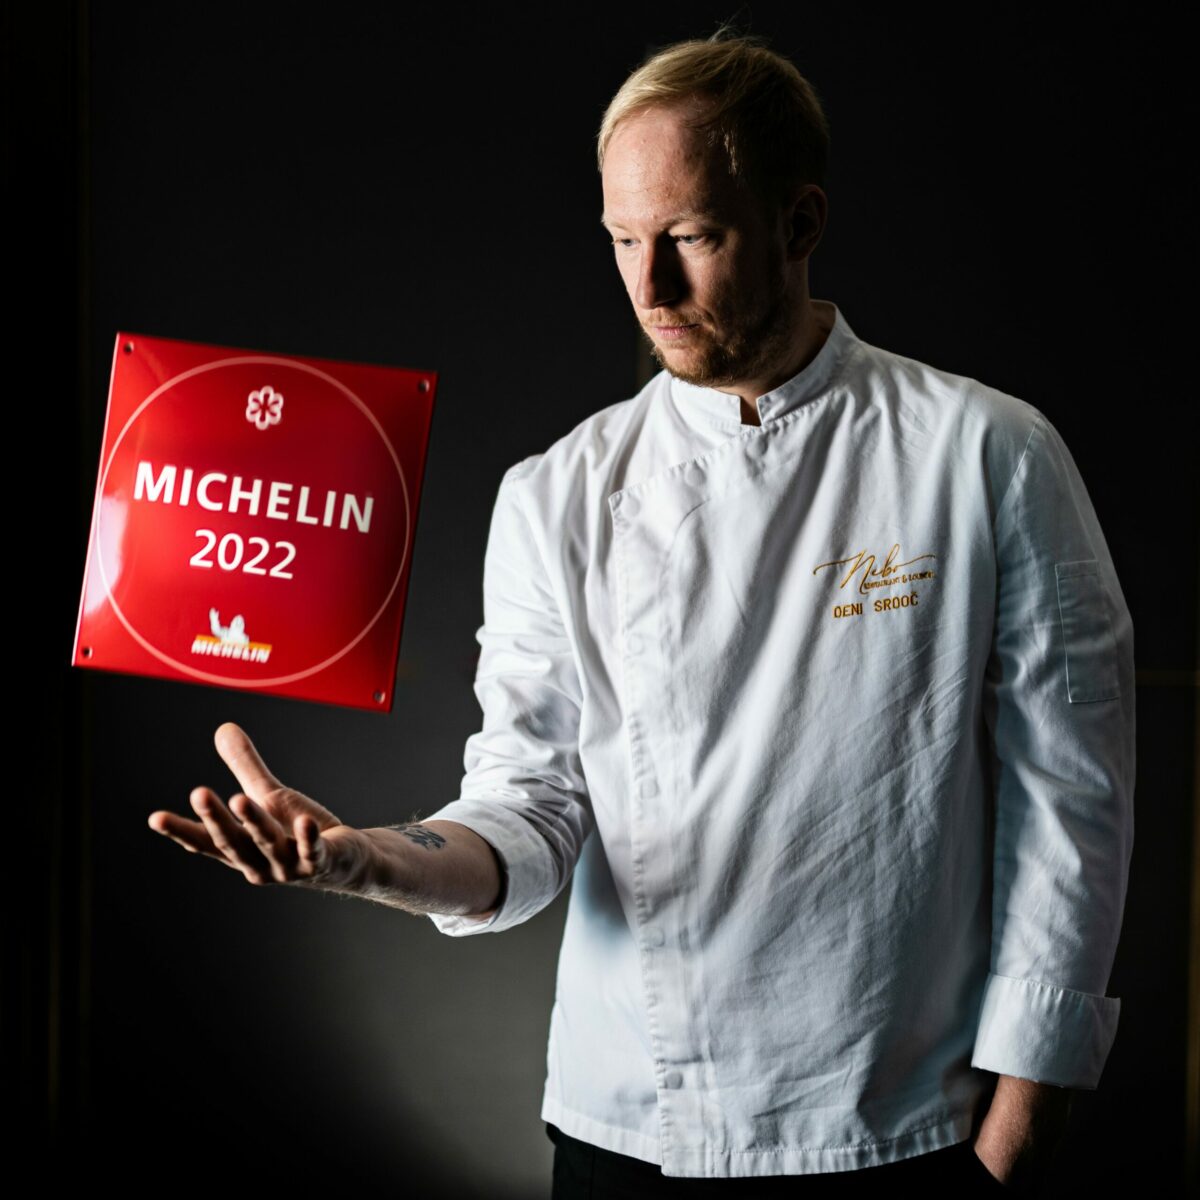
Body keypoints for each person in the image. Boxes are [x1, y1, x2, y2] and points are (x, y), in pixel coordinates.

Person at [150, 32, 1135, 1196]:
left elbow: (1070, 803)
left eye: (691, 237)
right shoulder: (557, 493)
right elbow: (530, 806)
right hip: (629, 1133)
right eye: (623, 240)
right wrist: (371, 861)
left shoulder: (984, 454)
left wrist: (1017, 1136)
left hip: (898, 1125)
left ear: (800, 223)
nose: (649, 287)